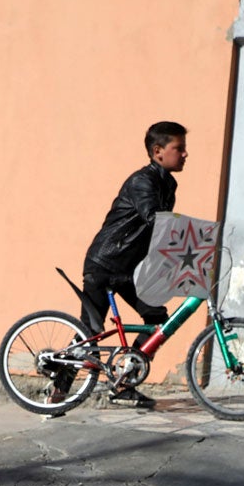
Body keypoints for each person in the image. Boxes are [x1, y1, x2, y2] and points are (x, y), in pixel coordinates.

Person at [79, 121, 188, 410]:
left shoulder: (168, 183)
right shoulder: (143, 181)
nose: (185, 154)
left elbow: (158, 232)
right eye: (179, 148)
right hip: (105, 262)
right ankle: (59, 389)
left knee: (156, 320)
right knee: (90, 332)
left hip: (128, 269)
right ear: (158, 151)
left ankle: (124, 382)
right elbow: (154, 218)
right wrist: (190, 238)